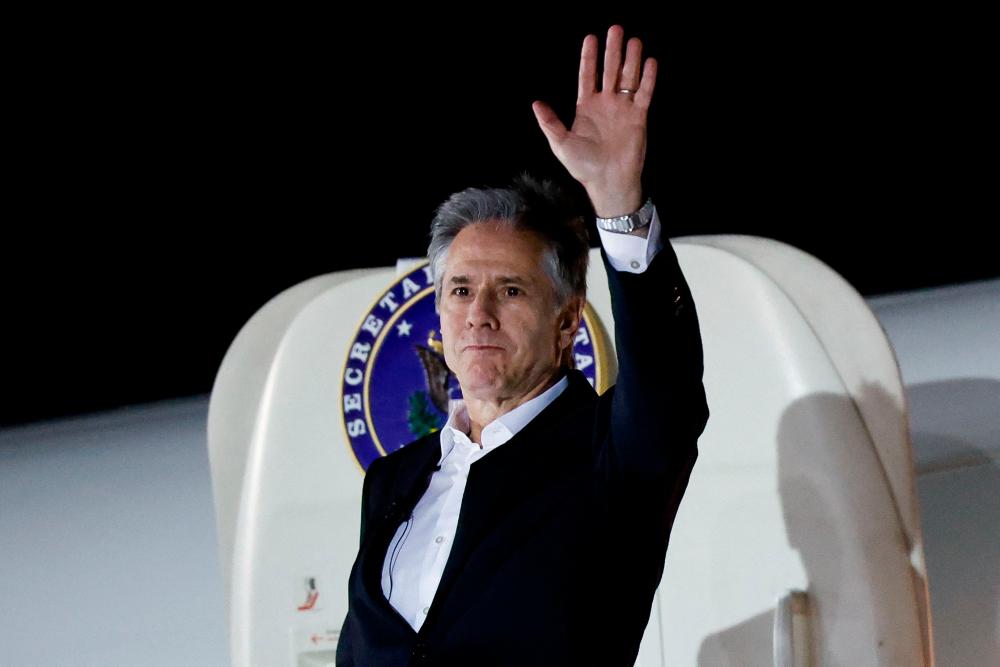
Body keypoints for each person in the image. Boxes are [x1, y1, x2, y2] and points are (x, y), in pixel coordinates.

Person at [336, 25, 709, 666]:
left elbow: (665, 379)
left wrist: (617, 200)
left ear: (567, 323)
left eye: (509, 291)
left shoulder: (611, 454)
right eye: (459, 291)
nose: (477, 315)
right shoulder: (394, 479)